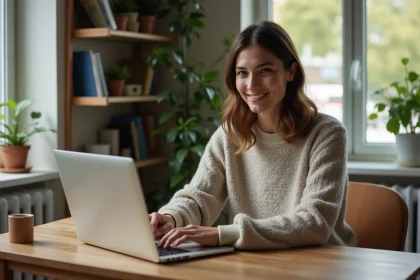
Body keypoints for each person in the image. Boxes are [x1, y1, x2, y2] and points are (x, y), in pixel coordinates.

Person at [149, 21, 357, 250]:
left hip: (322, 263)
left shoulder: (327, 134)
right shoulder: (229, 135)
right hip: (255, 263)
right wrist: (171, 218)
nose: (252, 85)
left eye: (265, 71)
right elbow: (198, 197)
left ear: (291, 72)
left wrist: (224, 234)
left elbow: (315, 222)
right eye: (242, 73)